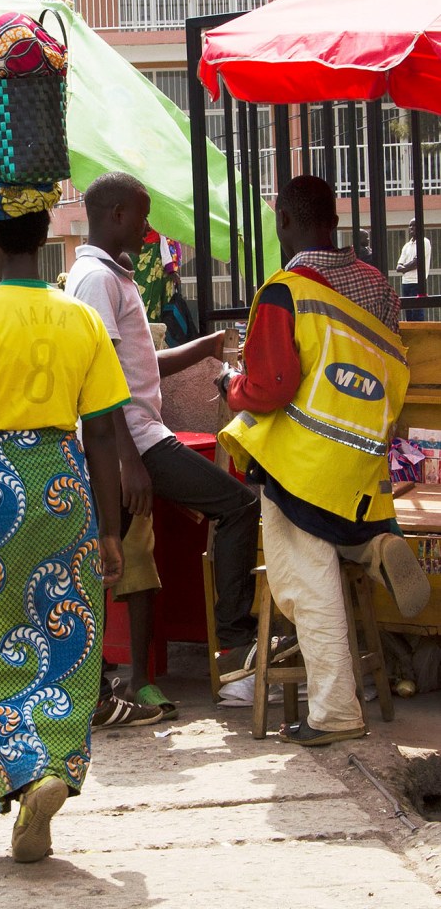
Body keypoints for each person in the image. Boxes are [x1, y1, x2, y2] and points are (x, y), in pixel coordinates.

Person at [0, 198, 130, 864]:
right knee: (62, 638)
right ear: (45, 236)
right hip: (64, 486)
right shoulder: (82, 319)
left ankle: (18, 763)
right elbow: (101, 433)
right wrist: (111, 531)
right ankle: (51, 770)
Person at [65, 172, 296, 720]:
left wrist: (208, 347)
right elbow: (100, 382)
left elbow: (141, 368)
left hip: (137, 440)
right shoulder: (95, 279)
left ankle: (129, 683)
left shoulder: (111, 276)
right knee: (236, 506)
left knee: (126, 560)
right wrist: (129, 463)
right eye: (143, 215)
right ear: (118, 214)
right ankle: (236, 648)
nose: (149, 227)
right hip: (132, 444)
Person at [217, 175, 430, 746]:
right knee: (338, 533)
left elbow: (271, 385)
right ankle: (372, 545)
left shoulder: (288, 289)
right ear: (333, 221)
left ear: (284, 222)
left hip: (304, 465)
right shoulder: (378, 285)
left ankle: (334, 711)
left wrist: (230, 387)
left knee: (303, 582)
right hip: (364, 467)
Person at [397, 218, 432, 321]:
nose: (412, 227)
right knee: (408, 312)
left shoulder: (424, 242)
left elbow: (417, 262)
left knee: (417, 312)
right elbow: (398, 266)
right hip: (405, 282)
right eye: (410, 225)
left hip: (417, 281)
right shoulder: (406, 246)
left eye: (414, 225)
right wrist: (405, 268)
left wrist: (404, 268)